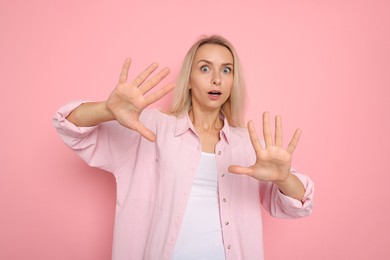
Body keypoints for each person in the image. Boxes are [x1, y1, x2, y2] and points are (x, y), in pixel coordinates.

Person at [53, 35, 314, 260]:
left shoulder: (249, 144)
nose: (216, 79)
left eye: (226, 70)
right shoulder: (151, 127)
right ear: (188, 79)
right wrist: (107, 109)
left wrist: (284, 178)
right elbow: (69, 126)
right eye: (204, 69)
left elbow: (298, 204)